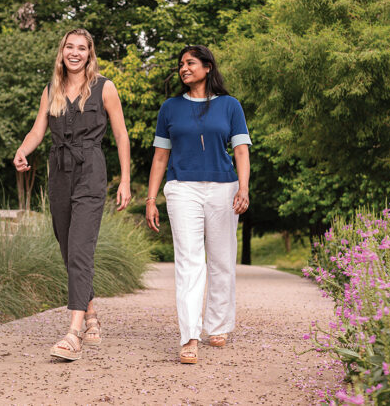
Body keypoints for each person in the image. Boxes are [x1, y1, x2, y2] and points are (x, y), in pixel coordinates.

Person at [14, 28, 131, 361]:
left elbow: (122, 135)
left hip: (91, 169)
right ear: (62, 51)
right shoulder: (51, 89)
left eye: (82, 48)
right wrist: (23, 149)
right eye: (70, 47)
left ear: (90, 53)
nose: (75, 52)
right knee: (68, 248)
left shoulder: (105, 88)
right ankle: (91, 310)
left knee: (81, 247)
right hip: (59, 171)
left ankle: (73, 332)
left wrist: (125, 180)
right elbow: (39, 128)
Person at [145, 45, 251, 364]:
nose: (183, 68)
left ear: (207, 67)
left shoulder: (230, 106)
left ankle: (218, 325)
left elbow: (242, 150)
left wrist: (243, 187)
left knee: (221, 259)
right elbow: (161, 155)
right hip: (182, 187)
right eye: (181, 64)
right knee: (190, 260)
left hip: (223, 187)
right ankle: (190, 335)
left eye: (190, 63)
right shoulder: (170, 108)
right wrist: (151, 199)